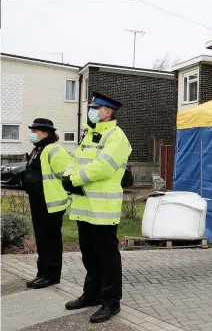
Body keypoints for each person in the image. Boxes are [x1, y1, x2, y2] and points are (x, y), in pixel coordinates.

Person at [62, 92, 131, 324]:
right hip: (84, 205)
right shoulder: (89, 135)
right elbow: (74, 160)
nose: (91, 110)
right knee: (89, 254)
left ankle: (111, 302)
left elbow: (103, 167)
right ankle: (92, 294)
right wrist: (67, 176)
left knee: (107, 257)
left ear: (107, 111)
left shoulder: (116, 137)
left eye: (95, 107)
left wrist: (75, 180)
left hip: (103, 208)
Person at [24, 118, 71, 289]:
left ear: (45, 133)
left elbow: (67, 175)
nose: (32, 134)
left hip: (51, 203)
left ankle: (51, 275)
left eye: (34, 131)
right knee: (42, 239)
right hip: (38, 201)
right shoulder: (38, 149)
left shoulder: (53, 150)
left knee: (50, 240)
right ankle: (42, 273)